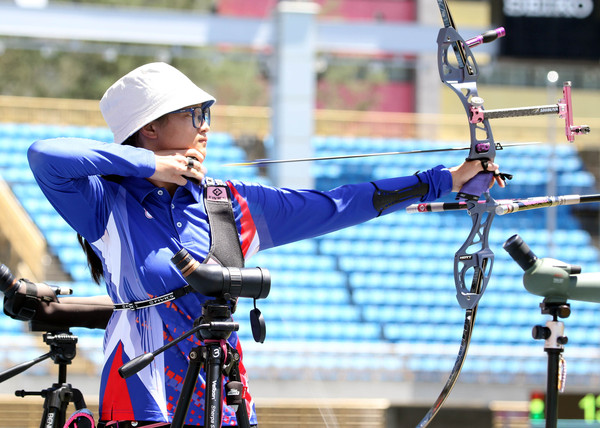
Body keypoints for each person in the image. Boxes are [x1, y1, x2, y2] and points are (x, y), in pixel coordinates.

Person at [27, 62, 505, 427]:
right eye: (194, 114)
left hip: (221, 391)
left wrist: (446, 179)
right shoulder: (106, 203)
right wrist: (147, 166)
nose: (205, 125)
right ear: (149, 129)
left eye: (207, 114)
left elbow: (339, 203)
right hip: (140, 391)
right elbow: (45, 156)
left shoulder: (230, 204)